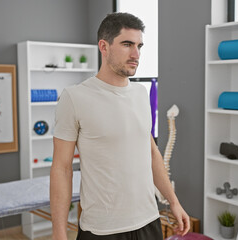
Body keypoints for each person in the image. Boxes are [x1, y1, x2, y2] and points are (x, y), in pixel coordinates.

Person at [50, 12, 190, 240]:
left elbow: (151, 152)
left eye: (139, 46)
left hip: (149, 221)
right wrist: (59, 232)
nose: (136, 54)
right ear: (103, 46)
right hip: (102, 229)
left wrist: (173, 202)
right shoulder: (74, 97)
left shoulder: (140, 93)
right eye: (127, 44)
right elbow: (61, 169)